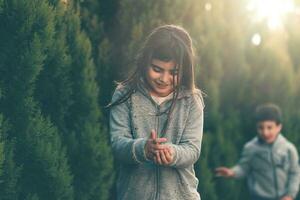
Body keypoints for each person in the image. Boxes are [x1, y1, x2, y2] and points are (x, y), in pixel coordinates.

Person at [107, 24, 205, 200]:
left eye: (174, 72)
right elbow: (118, 143)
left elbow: (192, 149)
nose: (164, 79)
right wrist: (143, 148)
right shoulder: (124, 94)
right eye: (157, 69)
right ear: (145, 61)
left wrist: (171, 153)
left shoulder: (192, 100)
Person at [215, 103, 300, 200]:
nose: (265, 132)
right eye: (261, 127)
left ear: (279, 127)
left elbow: (295, 173)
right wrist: (232, 172)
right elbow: (243, 168)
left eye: (269, 127)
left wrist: (290, 195)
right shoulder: (251, 148)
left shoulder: (289, 149)